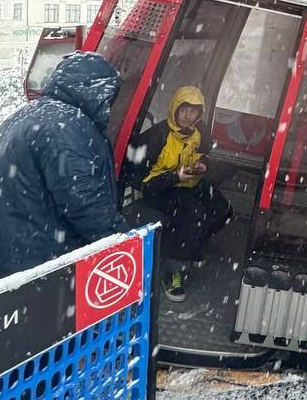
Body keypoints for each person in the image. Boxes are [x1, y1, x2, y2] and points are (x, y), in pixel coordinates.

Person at [0, 51, 125, 277]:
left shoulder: (34, 113)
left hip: (16, 245)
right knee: (49, 312)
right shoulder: (67, 127)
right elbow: (84, 203)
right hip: (40, 258)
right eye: (109, 98)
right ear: (96, 92)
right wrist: (123, 241)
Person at [131, 86, 231, 303]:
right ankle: (174, 271)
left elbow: (203, 153)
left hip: (188, 182)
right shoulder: (157, 136)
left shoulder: (199, 131)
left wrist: (202, 165)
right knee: (192, 214)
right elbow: (143, 183)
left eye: (194, 111)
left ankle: (192, 243)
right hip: (161, 189)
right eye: (184, 110)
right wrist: (175, 177)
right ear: (175, 108)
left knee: (222, 210)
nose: (188, 116)